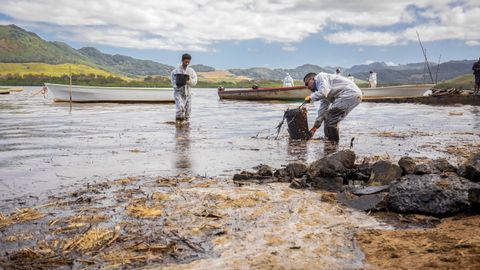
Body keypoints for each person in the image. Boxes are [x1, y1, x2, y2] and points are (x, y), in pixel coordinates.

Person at [303, 72, 362, 143]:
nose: (307, 87)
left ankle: (333, 143)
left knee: (331, 117)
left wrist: (311, 97)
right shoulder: (322, 89)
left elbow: (323, 92)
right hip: (349, 96)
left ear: (312, 79)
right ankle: (328, 141)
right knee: (328, 116)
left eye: (307, 83)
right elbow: (323, 109)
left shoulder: (320, 77)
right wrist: (315, 127)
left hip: (349, 94)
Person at [171, 53, 197, 122]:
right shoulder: (175, 71)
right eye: (186, 61)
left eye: (188, 62)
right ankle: (178, 124)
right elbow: (173, 82)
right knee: (180, 108)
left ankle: (186, 128)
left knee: (188, 111)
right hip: (178, 93)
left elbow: (195, 81)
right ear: (182, 60)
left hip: (188, 93)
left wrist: (189, 81)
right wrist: (178, 84)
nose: (187, 63)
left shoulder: (191, 71)